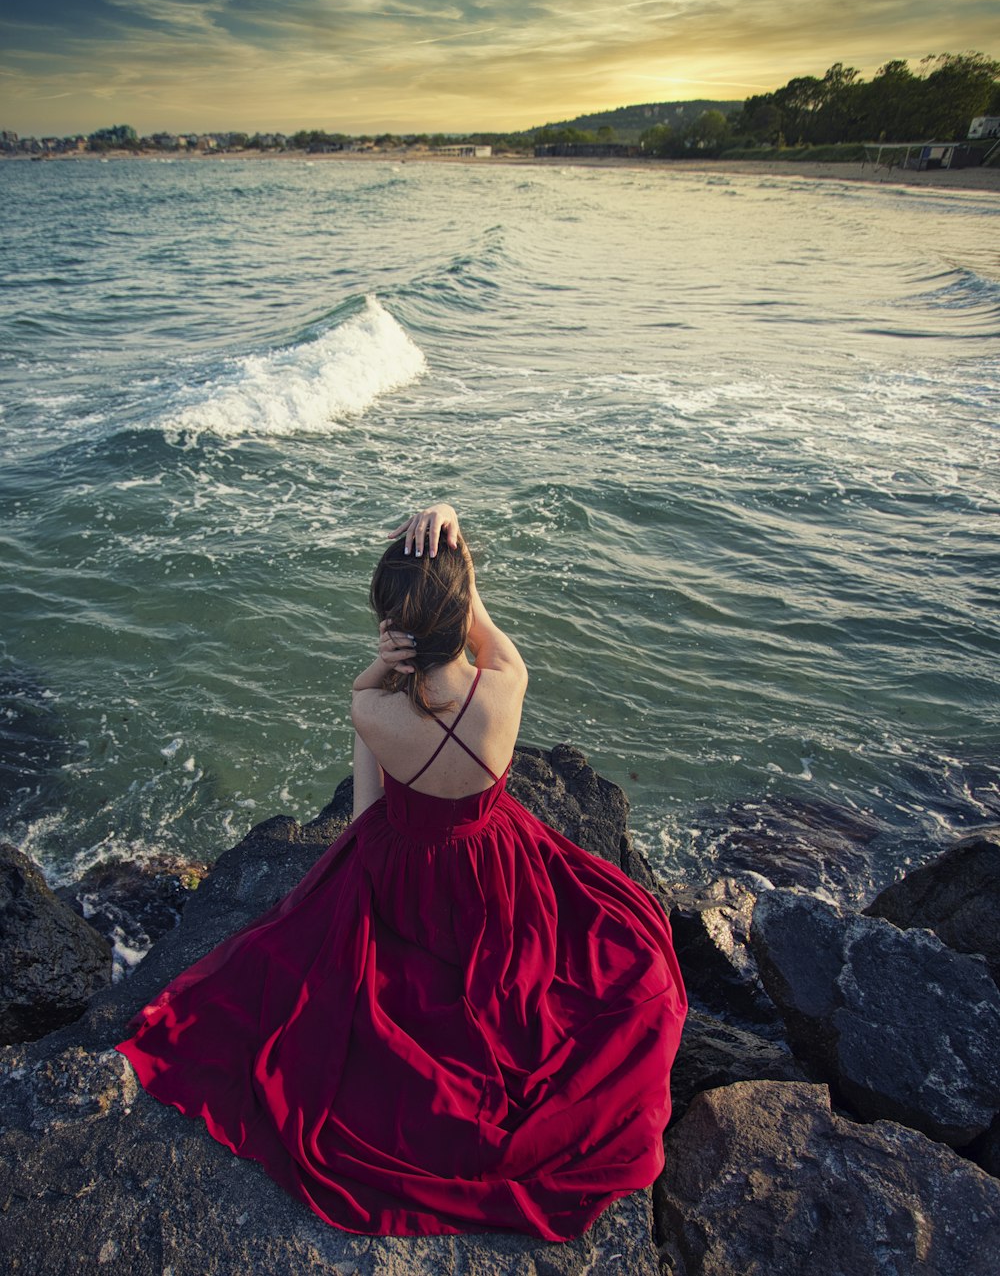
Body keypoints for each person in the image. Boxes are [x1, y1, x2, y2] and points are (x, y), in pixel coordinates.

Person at [114, 502, 687, 1242]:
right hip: (495, 869)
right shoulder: (506, 681)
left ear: (395, 632)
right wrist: (455, 539)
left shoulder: (372, 710)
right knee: (613, 955)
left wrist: (387, 662)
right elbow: (481, 621)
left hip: (403, 873)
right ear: (460, 616)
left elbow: (362, 815)